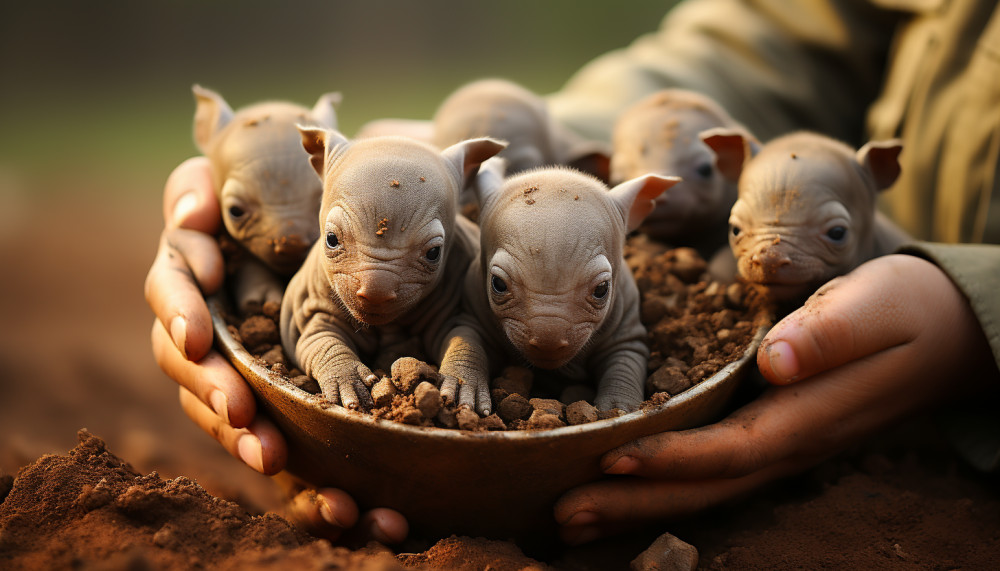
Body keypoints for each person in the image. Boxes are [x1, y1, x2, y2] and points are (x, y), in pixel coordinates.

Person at [145, 0, 1000, 546]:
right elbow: (778, 39)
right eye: (503, 287)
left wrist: (973, 303)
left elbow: (483, 324)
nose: (369, 286)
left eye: (597, 288)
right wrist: (549, 140)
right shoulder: (457, 244)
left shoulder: (569, 281)